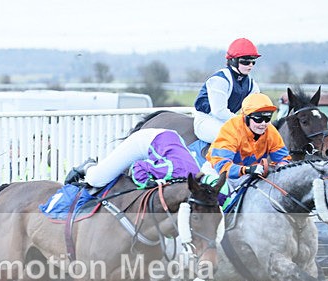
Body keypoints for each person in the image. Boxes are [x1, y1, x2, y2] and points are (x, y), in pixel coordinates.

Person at [204, 93, 291, 207]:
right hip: (218, 173)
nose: (263, 124)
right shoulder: (231, 129)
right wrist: (247, 169)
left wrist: (281, 166)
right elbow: (222, 166)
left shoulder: (271, 131)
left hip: (248, 174)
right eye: (258, 119)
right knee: (227, 201)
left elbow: (283, 158)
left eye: (267, 118)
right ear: (246, 117)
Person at [64, 128, 200, 189]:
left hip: (168, 141)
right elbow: (138, 167)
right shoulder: (171, 170)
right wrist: (147, 184)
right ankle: (88, 166)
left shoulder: (198, 173)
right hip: (143, 141)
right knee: (96, 180)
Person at [193, 37, 262, 145]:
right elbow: (219, 112)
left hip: (229, 121)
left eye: (253, 62)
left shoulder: (251, 84)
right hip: (206, 120)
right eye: (246, 62)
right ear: (233, 61)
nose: (250, 65)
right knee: (231, 137)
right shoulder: (220, 80)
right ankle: (212, 162)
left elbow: (256, 108)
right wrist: (244, 122)